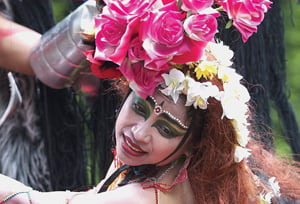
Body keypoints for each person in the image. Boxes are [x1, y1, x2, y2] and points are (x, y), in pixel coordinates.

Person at [1, 0, 300, 204]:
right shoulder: (157, 162)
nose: (139, 133)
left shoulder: (147, 194)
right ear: (127, 90)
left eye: (167, 129)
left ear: (198, 142)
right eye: (140, 107)